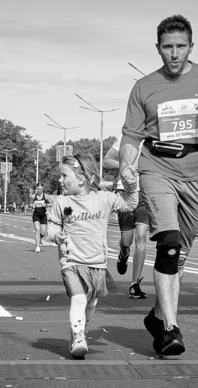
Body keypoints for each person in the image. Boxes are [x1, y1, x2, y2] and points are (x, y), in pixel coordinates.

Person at [118, 15, 198, 356]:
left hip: (197, 171)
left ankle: (158, 316)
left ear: (191, 47)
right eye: (167, 47)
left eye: (181, 46)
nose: (174, 54)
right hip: (156, 166)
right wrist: (128, 168)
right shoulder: (144, 87)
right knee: (169, 244)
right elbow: (130, 135)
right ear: (158, 48)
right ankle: (171, 331)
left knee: (181, 254)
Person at [47, 153, 138, 359]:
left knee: (91, 303)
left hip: (97, 261)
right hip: (71, 261)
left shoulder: (103, 198)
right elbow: (52, 225)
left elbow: (129, 204)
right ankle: (79, 338)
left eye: (64, 175)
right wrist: (56, 235)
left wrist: (132, 184)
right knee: (78, 299)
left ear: (81, 178)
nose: (60, 180)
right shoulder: (61, 202)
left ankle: (79, 331)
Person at [103, 134, 149, 299]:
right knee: (126, 242)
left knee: (142, 236)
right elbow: (106, 161)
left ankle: (134, 284)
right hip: (125, 192)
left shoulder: (154, 138)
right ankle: (123, 253)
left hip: (145, 193)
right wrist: (125, 165)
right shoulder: (124, 138)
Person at [30, 183, 50, 253]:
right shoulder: (33, 196)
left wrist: (46, 204)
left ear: (43, 189)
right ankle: (37, 247)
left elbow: (52, 203)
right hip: (36, 215)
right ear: (36, 189)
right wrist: (32, 205)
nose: (39, 191)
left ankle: (41, 238)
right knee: (37, 230)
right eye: (38, 189)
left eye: (40, 189)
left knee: (43, 232)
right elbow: (30, 204)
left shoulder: (46, 196)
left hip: (43, 215)